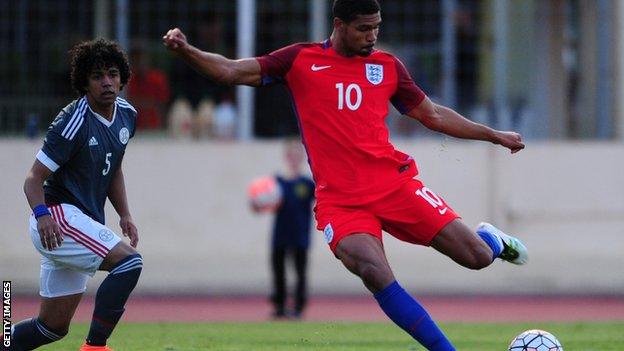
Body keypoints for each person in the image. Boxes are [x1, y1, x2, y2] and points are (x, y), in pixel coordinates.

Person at [163, 0, 527, 349]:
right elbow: (229, 70)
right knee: (374, 271)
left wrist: (493, 134)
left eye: (376, 28)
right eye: (364, 29)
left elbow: (432, 115)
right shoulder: (300, 60)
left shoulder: (387, 67)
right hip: (341, 202)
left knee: (476, 257)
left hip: (394, 185)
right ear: (339, 25)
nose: (372, 36)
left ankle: (491, 240)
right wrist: (186, 50)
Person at [10, 39, 142, 351]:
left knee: (51, 329)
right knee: (129, 264)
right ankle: (95, 348)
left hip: (77, 223)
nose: (107, 81)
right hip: (56, 218)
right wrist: (42, 216)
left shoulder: (127, 115)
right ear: (84, 82)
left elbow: (114, 169)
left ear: (123, 78)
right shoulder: (72, 122)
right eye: (97, 76)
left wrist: (125, 214)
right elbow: (33, 179)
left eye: (112, 74)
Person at [252, 140, 315, 319]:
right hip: (280, 235)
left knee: (300, 273)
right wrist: (257, 204)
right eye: (291, 154)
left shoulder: (307, 184)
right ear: (287, 157)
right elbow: (260, 205)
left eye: (298, 155)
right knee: (278, 272)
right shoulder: (275, 183)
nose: (294, 158)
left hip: (300, 235)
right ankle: (279, 306)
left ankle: (298, 307)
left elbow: (322, 201)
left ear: (301, 158)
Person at [127, 40, 170, 130]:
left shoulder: (158, 79)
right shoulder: (127, 80)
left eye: (140, 57)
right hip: (133, 130)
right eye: (135, 58)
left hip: (154, 129)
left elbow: (163, 107)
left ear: (147, 58)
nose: (138, 62)